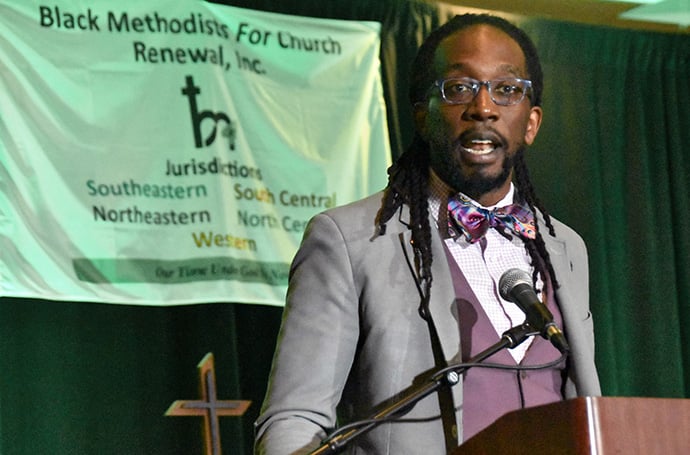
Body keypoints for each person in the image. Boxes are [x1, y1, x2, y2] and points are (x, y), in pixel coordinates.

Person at [254, 13, 601, 455]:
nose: (484, 107)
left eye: (507, 89)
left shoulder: (565, 247)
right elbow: (295, 419)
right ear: (422, 115)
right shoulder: (348, 240)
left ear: (531, 123)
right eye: (459, 88)